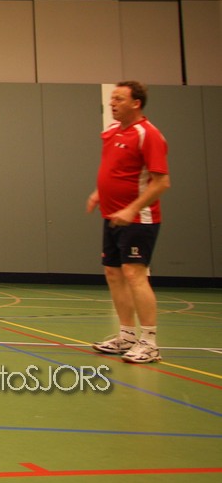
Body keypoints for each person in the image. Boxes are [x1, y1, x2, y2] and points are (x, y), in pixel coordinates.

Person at [86, 80, 170, 364]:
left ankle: (149, 342)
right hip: (112, 217)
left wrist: (132, 209)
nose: (112, 103)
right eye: (112, 98)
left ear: (136, 103)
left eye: (119, 99)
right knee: (113, 273)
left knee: (135, 274)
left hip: (138, 219)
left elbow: (161, 182)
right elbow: (116, 169)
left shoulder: (149, 135)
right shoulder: (112, 131)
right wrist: (99, 193)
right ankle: (127, 336)